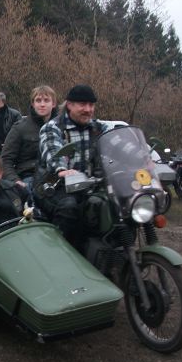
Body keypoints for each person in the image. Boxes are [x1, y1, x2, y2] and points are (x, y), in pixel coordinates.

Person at [35, 84, 113, 251]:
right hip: (53, 185)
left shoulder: (98, 128)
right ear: (69, 105)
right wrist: (62, 169)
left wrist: (143, 158)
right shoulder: (53, 127)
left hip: (88, 185)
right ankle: (58, 252)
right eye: (83, 104)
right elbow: (53, 150)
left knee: (116, 203)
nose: (88, 109)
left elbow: (117, 143)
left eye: (91, 105)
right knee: (69, 208)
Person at [1, 85, 58, 191]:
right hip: (29, 177)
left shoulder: (61, 127)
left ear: (53, 103)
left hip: (57, 176)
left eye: (46, 100)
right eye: (38, 100)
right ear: (33, 103)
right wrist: (15, 181)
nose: (42, 104)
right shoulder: (20, 127)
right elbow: (5, 160)